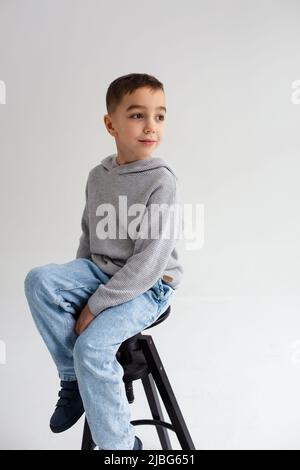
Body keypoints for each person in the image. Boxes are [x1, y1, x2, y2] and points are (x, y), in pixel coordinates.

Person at [24, 73, 184, 450]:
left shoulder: (161, 180)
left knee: (92, 348)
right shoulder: (99, 176)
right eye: (137, 115)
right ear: (110, 124)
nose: (151, 127)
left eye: (160, 116)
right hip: (103, 272)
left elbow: (149, 261)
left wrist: (96, 306)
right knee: (39, 280)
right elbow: (89, 237)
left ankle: (123, 449)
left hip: (150, 285)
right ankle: (74, 379)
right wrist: (81, 287)